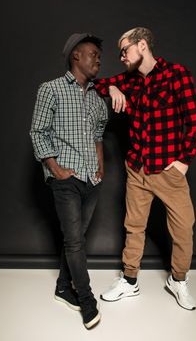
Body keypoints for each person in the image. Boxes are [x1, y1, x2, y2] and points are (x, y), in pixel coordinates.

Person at [95, 27, 196, 310]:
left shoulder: (177, 74)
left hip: (168, 170)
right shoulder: (129, 80)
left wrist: (183, 162)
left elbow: (195, 121)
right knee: (133, 227)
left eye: (124, 50)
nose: (121, 57)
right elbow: (96, 84)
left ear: (142, 45)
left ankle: (178, 280)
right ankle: (129, 281)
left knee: (183, 228)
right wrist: (112, 87)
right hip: (136, 168)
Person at [30, 33, 108, 329]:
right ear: (76, 55)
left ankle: (63, 287)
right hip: (66, 179)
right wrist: (56, 168)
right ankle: (86, 301)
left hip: (92, 179)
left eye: (100, 55)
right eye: (93, 54)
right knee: (75, 241)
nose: (98, 59)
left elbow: (99, 134)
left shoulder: (98, 97)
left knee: (75, 239)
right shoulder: (51, 89)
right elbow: (38, 132)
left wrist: (101, 167)